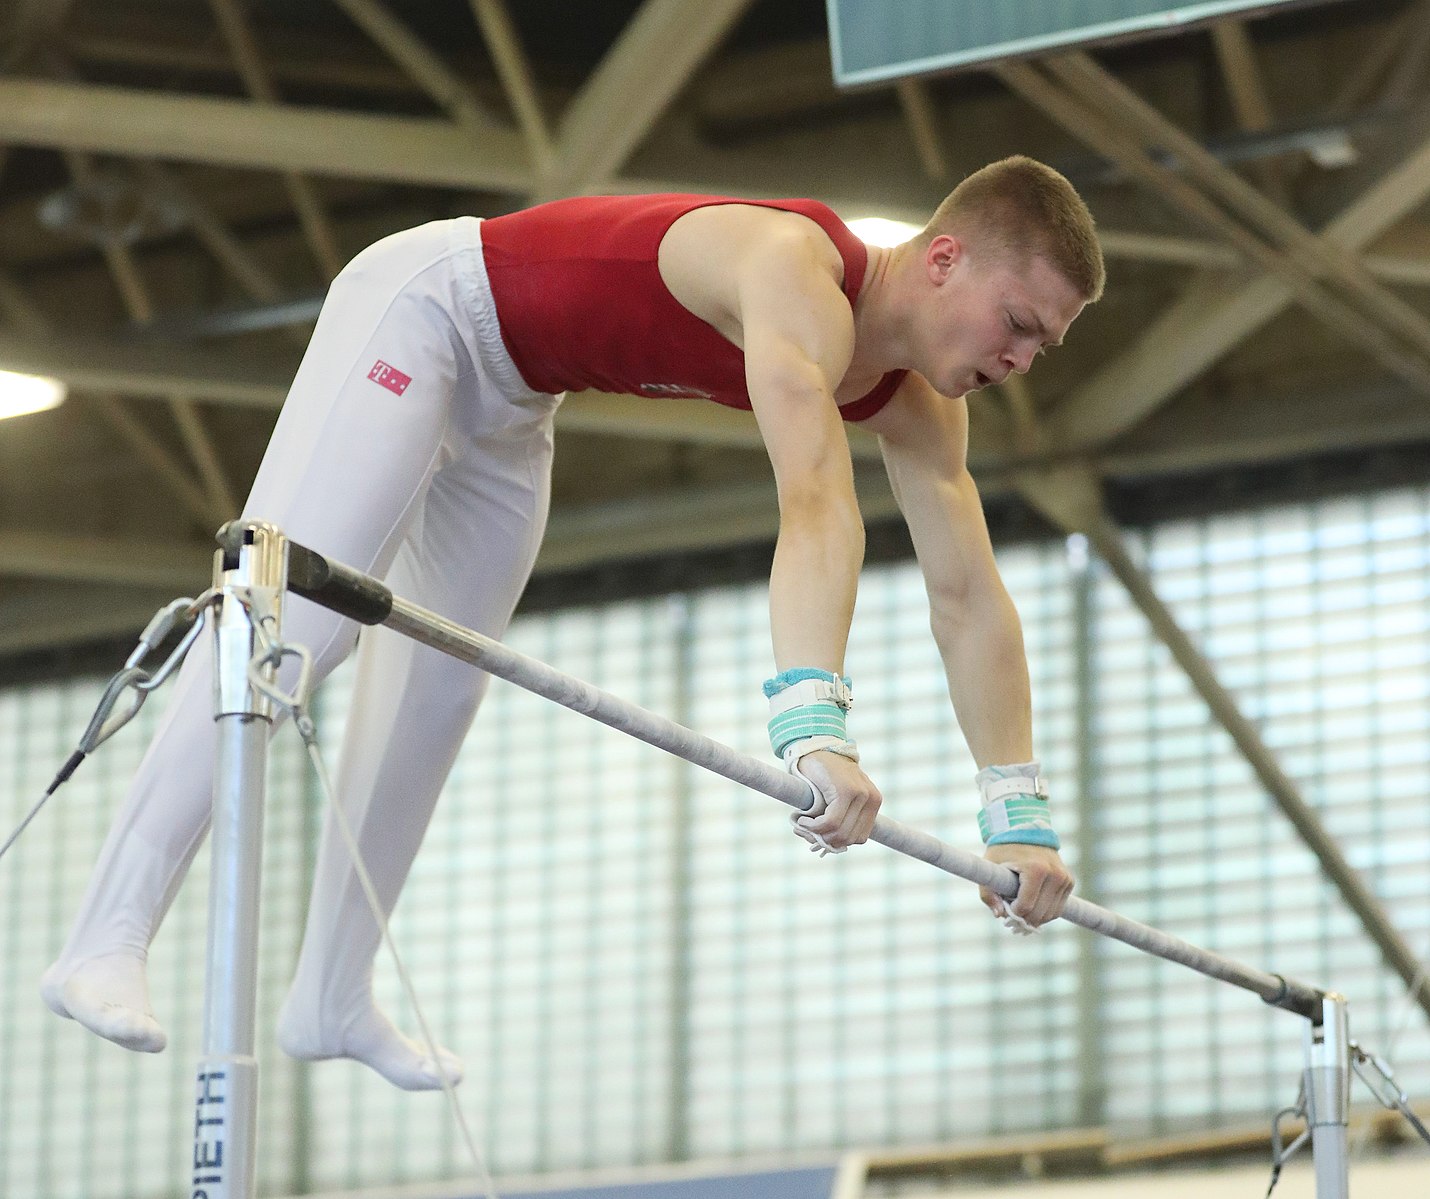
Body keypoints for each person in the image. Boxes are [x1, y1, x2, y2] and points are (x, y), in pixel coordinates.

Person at [41, 155, 1103, 1091]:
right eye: (1018, 323)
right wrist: (811, 725)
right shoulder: (796, 270)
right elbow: (813, 498)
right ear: (943, 258)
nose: (1021, 359)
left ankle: (330, 990)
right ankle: (105, 932)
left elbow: (966, 593)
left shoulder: (923, 404)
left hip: (514, 406)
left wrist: (1015, 807)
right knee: (291, 630)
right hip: (427, 308)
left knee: (440, 688)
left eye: (1045, 346)